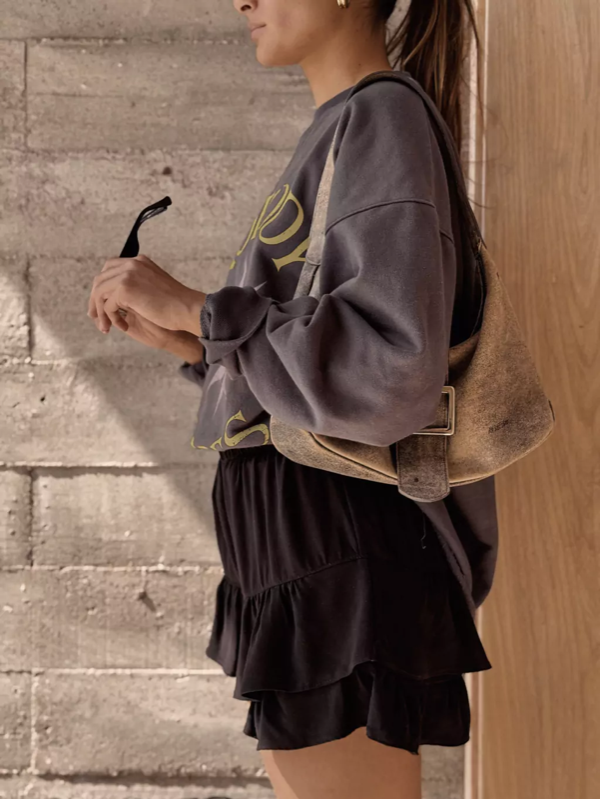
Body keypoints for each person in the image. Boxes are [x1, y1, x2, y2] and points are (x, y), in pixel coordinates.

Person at [87, 0, 499, 795]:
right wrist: (198, 344)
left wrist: (204, 309)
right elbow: (315, 355)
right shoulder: (344, 127)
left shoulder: (382, 118)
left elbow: (395, 372)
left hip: (337, 541)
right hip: (307, 547)